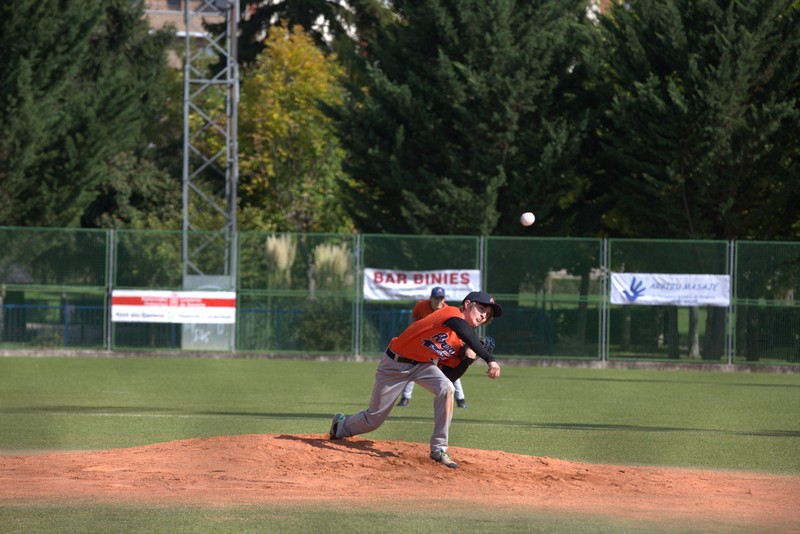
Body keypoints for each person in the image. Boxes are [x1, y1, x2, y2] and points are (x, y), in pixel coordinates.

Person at [329, 291, 502, 469]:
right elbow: (462, 327)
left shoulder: (460, 342)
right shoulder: (451, 313)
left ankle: (439, 450)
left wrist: (468, 359)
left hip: (422, 365)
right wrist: (489, 359)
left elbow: (448, 377)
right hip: (394, 364)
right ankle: (339, 427)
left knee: (447, 388)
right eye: (481, 309)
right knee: (374, 420)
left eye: (487, 314)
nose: (483, 315)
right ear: (467, 305)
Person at [397, 287, 469, 408]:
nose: (439, 301)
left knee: (452, 367)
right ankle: (405, 398)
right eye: (436, 298)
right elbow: (414, 318)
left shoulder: (448, 310)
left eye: (441, 298)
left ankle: (460, 399)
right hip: (424, 343)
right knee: (413, 367)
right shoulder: (421, 306)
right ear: (430, 298)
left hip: (442, 344)